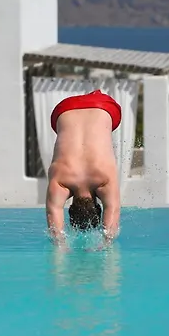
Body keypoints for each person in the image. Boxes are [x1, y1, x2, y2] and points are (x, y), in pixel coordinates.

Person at [46, 89, 122, 248]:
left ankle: (93, 98)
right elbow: (53, 213)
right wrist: (60, 244)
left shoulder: (105, 181)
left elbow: (112, 212)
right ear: (71, 206)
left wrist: (106, 242)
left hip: (103, 106)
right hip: (64, 110)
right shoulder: (60, 183)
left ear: (97, 205)